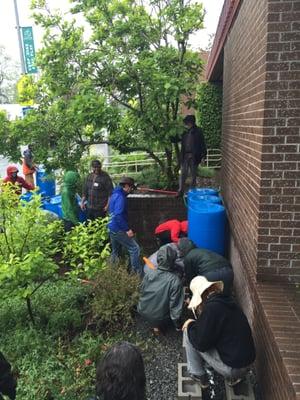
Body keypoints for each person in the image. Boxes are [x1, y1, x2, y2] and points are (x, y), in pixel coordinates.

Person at [182, 276, 256, 389]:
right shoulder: (228, 301)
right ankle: (234, 378)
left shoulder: (212, 309)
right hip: (248, 361)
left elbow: (200, 343)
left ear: (201, 295)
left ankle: (198, 375)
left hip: (233, 368)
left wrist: (190, 324)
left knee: (189, 332)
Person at [138, 244, 184, 333]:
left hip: (142, 310)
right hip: (160, 317)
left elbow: (142, 291)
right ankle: (159, 325)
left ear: (158, 258)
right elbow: (175, 307)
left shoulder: (149, 274)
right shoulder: (175, 281)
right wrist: (178, 325)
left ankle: (154, 325)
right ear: (173, 260)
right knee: (175, 301)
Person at [108, 176, 142, 274]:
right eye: (131, 188)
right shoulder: (120, 197)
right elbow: (118, 215)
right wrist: (127, 229)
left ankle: (111, 272)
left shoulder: (115, 193)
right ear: (126, 186)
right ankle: (136, 274)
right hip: (118, 228)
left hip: (111, 227)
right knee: (134, 249)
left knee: (116, 251)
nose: (131, 190)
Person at [178, 115, 207, 196]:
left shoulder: (198, 131)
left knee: (193, 175)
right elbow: (177, 139)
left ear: (191, 123)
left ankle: (192, 193)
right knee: (183, 173)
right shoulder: (184, 132)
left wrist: (204, 156)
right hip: (185, 156)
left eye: (187, 123)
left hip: (194, 156)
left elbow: (202, 144)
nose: (186, 124)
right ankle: (181, 191)